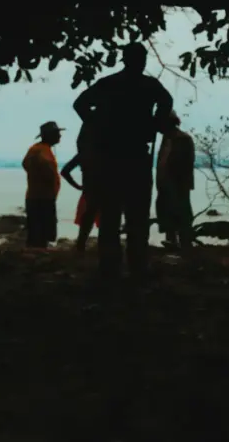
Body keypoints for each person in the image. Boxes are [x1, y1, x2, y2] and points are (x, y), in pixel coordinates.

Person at [72, 42, 173, 280]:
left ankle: (112, 267)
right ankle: (135, 266)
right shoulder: (148, 85)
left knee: (112, 215)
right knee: (135, 215)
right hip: (133, 156)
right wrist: (155, 122)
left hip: (112, 156)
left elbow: (80, 104)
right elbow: (166, 101)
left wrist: (97, 124)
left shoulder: (109, 84)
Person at [156, 110, 196, 251]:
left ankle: (185, 244)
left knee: (181, 214)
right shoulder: (166, 139)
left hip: (178, 184)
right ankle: (172, 242)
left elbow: (186, 163)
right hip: (166, 183)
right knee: (167, 214)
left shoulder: (183, 139)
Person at [22, 121, 64, 248]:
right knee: (39, 234)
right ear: (49, 135)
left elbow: (27, 164)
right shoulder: (38, 150)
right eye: (57, 133)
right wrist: (47, 176)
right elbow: (30, 164)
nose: (60, 136)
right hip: (40, 198)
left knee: (41, 234)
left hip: (43, 196)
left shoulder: (41, 149)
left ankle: (38, 253)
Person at [60, 153, 100, 252]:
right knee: (106, 221)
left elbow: (65, 171)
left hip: (89, 191)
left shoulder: (85, 153)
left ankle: (80, 247)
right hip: (109, 193)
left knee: (88, 218)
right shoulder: (112, 152)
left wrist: (78, 186)